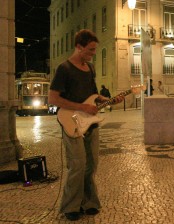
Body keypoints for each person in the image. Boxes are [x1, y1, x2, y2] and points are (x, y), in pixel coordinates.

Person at [48, 29, 124, 221]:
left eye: (94, 50)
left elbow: (94, 95)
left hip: (90, 123)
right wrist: (81, 107)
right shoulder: (64, 69)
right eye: (90, 50)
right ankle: (70, 206)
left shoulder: (90, 68)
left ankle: (88, 202)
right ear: (79, 47)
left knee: (91, 165)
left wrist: (108, 100)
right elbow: (53, 98)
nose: (92, 54)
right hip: (71, 122)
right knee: (77, 164)